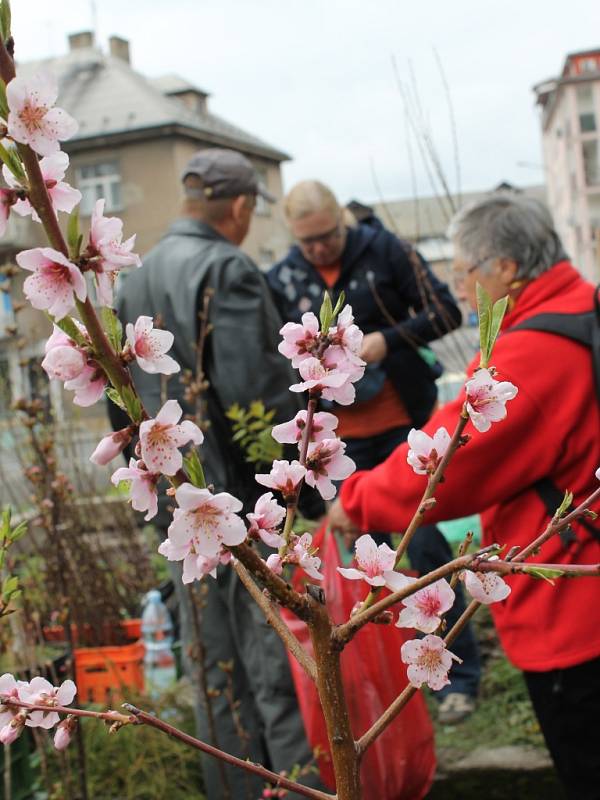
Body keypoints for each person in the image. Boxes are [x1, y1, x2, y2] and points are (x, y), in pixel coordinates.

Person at [328, 193, 600, 800]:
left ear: (504, 268)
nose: (463, 283)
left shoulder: (535, 352)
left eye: (465, 270)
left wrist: (358, 499)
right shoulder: (583, 307)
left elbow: (452, 457)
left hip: (577, 619)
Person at [112, 149, 323, 799]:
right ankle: (292, 789)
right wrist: (285, 493)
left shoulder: (133, 279)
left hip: (179, 505)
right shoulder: (225, 266)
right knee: (272, 675)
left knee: (215, 676)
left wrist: (148, 482)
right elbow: (251, 395)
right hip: (235, 507)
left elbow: (118, 395)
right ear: (238, 208)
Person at [267, 180, 481, 723]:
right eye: (308, 241)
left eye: (328, 236)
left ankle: (460, 674)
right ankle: (386, 687)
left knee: (429, 549)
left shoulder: (385, 249)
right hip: (338, 444)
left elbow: (445, 312)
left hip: (403, 428)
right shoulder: (285, 277)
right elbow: (280, 358)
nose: (319, 249)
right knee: (366, 569)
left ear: (343, 219)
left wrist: (390, 337)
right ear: (294, 235)